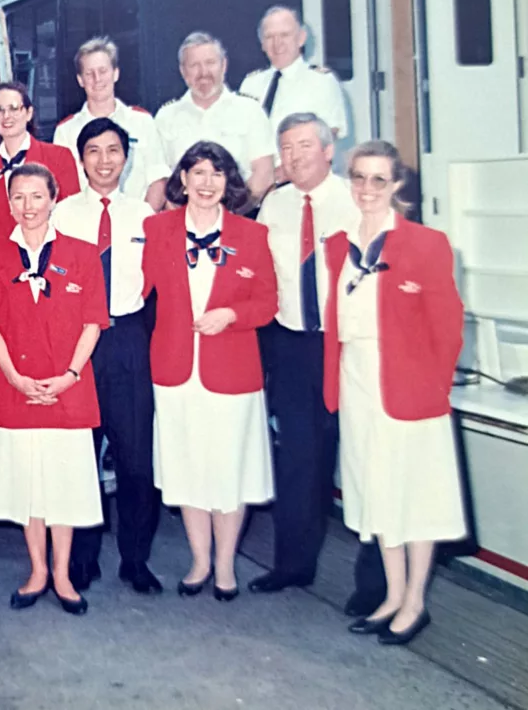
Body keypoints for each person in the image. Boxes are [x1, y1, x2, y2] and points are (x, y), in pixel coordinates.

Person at [323, 140, 466, 644]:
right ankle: (392, 592)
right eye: (359, 177)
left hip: (410, 391)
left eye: (378, 180)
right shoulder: (338, 244)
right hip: (357, 381)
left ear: (397, 185)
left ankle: (415, 602)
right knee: (377, 491)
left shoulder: (427, 244)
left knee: (415, 496)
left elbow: (448, 331)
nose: (366, 189)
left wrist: (431, 388)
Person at [143, 141, 277, 601]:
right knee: (188, 467)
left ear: (229, 182)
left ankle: (225, 566)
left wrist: (232, 317)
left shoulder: (251, 235)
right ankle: (199, 560)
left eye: (216, 174)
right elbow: (134, 290)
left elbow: (267, 302)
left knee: (228, 469)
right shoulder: (157, 229)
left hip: (232, 372)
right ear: (181, 179)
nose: (205, 182)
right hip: (176, 369)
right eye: (197, 172)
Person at [0, 163, 106, 615]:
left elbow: (93, 323)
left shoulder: (84, 254)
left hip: (67, 387)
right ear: (8, 203)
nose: (27, 207)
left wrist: (68, 376)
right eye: (18, 197)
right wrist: (13, 377)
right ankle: (37, 570)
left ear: (54, 199)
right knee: (28, 484)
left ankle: (65, 573)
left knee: (63, 485)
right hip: (15, 388)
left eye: (36, 196)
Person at [252, 112, 364, 597]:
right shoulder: (273, 206)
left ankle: (377, 586)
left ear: (327, 150)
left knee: (362, 457)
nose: (293, 157)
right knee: (298, 458)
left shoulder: (354, 201)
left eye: (303, 146)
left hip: (348, 345)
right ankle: (292, 565)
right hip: (294, 346)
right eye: (286, 149)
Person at [52, 118, 160, 594]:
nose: (103, 160)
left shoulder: (144, 217)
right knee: (79, 456)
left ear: (126, 156)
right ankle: (83, 557)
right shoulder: (60, 215)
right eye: (93, 151)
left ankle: (136, 558)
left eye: (113, 150)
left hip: (128, 340)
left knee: (136, 458)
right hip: (77, 343)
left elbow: (158, 285)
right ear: (81, 159)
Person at [155, 33, 276, 205]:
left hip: (240, 217)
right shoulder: (166, 117)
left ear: (224, 65)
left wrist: (231, 215)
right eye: (194, 65)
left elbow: (263, 175)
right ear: (183, 71)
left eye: (210, 63)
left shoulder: (250, 111)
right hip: (183, 222)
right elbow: (161, 178)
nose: (203, 72)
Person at [53, 36, 167, 209]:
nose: (97, 79)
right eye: (89, 73)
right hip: (85, 228)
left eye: (103, 71)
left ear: (115, 73)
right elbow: (62, 189)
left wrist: (140, 225)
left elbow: (158, 180)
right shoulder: (66, 131)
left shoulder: (142, 122)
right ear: (80, 80)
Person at [0, 81, 80, 239]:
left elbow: (71, 215)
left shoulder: (59, 157)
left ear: (29, 113)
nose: (6, 116)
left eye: (14, 108)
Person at [240, 6, 349, 144]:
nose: (277, 44)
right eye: (269, 37)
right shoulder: (251, 84)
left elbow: (328, 138)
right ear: (262, 44)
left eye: (285, 35)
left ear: (301, 38)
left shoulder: (321, 82)